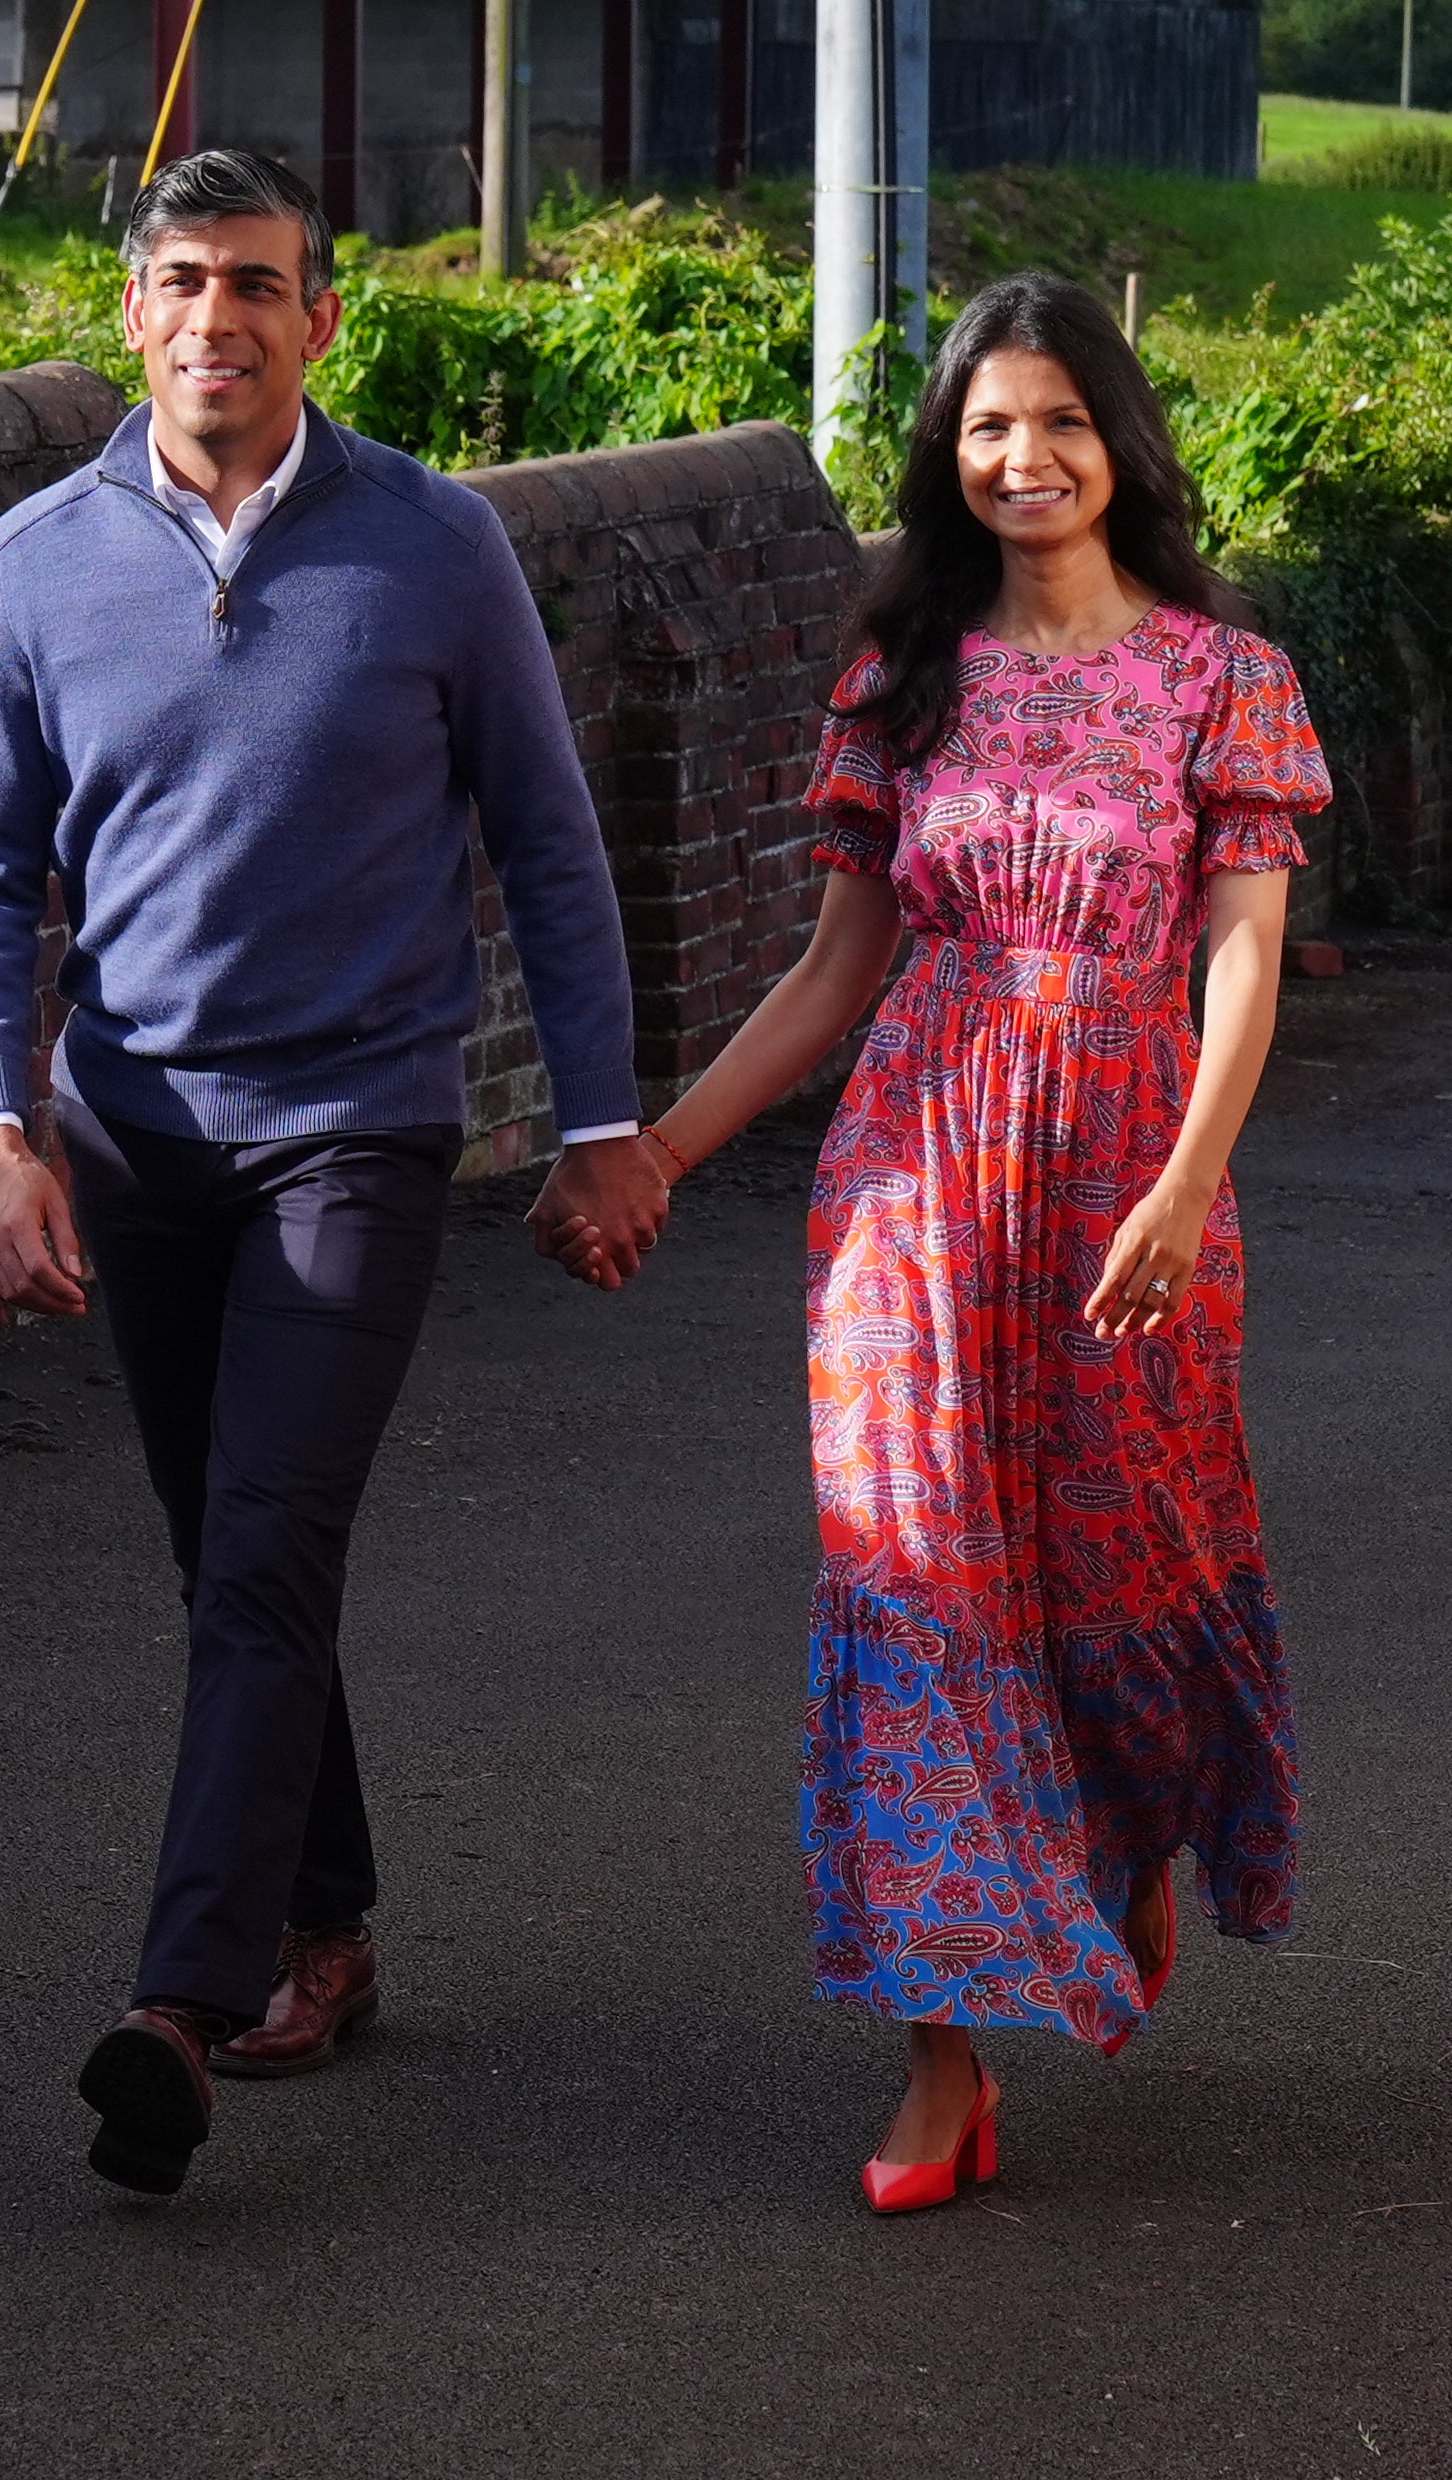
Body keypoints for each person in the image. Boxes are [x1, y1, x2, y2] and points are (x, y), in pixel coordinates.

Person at [539, 273, 1330, 2211]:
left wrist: (1182, 1175)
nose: (1024, 456)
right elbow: (833, 970)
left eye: (1060, 420)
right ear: (948, 455)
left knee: (1125, 1563)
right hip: (914, 1168)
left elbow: (1242, 948)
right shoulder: (906, 669)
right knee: (908, 1575)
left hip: (1134, 1167)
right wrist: (655, 1152)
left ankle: (1110, 1849)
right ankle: (941, 2051)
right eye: (987, 426)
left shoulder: (1223, 676)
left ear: (1118, 442)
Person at [0, 149, 667, 2198]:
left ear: (322, 317)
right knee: (236, 1556)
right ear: (134, 314)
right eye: (185, 282)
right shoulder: (42, 561)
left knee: (263, 1540)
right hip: (133, 1134)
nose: (220, 318)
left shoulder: (432, 549)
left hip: (360, 1122)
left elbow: (548, 840)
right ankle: (326, 1915)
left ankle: (185, 1992)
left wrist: (600, 1121)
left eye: (260, 282)